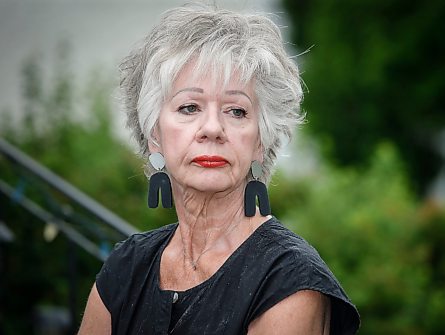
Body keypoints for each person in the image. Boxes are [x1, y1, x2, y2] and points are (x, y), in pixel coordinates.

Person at [78, 3, 360, 334]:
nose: (212, 128)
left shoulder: (290, 281)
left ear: (260, 141)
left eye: (236, 111)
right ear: (155, 135)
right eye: (189, 107)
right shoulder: (126, 268)